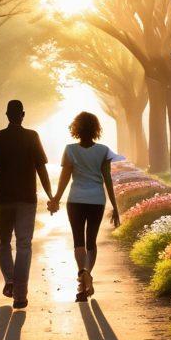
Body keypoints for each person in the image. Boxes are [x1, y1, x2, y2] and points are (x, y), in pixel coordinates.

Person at [0, 99, 53, 310]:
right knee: (24, 245)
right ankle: (20, 295)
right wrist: (51, 196)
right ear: (23, 114)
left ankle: (10, 279)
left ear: (6, 115)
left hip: (3, 199)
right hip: (27, 199)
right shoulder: (32, 136)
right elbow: (41, 168)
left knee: (5, 242)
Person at [49, 111, 120, 302]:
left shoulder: (70, 150)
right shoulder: (104, 151)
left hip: (76, 200)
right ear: (96, 129)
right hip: (97, 200)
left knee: (78, 240)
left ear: (76, 129)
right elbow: (108, 180)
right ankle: (87, 274)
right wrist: (115, 206)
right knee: (91, 241)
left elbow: (64, 179)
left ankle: (82, 277)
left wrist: (55, 199)